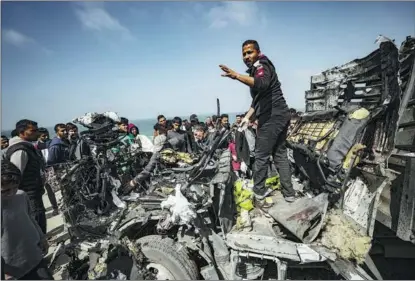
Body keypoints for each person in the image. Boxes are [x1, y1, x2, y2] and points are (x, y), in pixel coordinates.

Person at [219, 39, 296, 205]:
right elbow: (259, 100)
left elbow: (261, 84)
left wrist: (236, 75)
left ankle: (259, 192)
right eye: (244, 54)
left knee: (261, 154)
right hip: (280, 113)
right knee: (280, 154)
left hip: (273, 115)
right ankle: (289, 193)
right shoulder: (258, 67)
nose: (246, 56)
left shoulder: (261, 65)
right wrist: (247, 118)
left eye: (250, 52)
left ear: (258, 52)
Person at [1, 160, 53, 280]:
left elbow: (30, 218)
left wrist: (42, 237)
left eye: (15, 187)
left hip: (34, 256)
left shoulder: (21, 195)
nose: (12, 193)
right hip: (12, 268)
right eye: (5, 191)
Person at [3, 119, 48, 233]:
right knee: (36, 223)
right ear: (21, 132)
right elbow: (13, 177)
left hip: (33, 193)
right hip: (28, 195)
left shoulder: (27, 147)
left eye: (37, 130)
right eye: (32, 131)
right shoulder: (20, 150)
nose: (37, 133)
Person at [35, 128, 59, 217]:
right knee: (49, 190)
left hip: (54, 168)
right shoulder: (36, 147)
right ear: (38, 136)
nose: (46, 137)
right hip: (44, 170)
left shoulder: (52, 143)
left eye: (47, 135)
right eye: (43, 136)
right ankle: (55, 208)